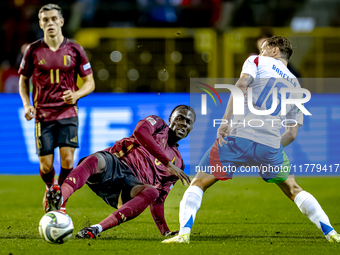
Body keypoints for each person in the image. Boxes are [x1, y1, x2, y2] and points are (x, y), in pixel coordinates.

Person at [163, 36, 340, 244]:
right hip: (271, 146)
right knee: (294, 189)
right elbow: (291, 134)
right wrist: (269, 150)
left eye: (265, 48)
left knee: (199, 182)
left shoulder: (256, 61)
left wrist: (225, 122)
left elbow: (240, 85)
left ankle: (184, 234)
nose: (261, 51)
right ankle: (332, 233)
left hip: (237, 138)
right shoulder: (296, 84)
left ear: (275, 50)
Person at [45, 105, 196, 238]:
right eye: (180, 118)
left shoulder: (179, 164)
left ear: (191, 129)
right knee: (95, 159)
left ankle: (96, 229)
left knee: (153, 193)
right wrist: (167, 162)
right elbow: (140, 132)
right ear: (170, 119)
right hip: (115, 163)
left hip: (129, 187)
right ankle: (59, 198)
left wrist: (165, 231)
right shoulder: (158, 124)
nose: (183, 124)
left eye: (188, 122)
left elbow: (159, 201)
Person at [18, 3, 95, 213]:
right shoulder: (33, 50)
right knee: (45, 166)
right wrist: (26, 104)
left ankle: (60, 195)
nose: (50, 23)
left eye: (54, 19)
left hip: (68, 112)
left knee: (68, 159)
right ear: (40, 23)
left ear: (61, 21)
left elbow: (90, 82)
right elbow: (22, 80)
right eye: (46, 20)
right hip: (43, 114)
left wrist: (77, 94)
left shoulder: (75, 49)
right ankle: (50, 186)